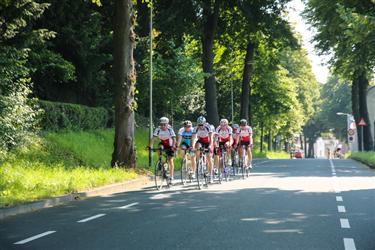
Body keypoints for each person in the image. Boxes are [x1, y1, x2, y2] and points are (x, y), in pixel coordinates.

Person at [149, 117, 176, 184]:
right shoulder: (158, 129)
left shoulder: (170, 129)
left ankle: (171, 176)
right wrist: (149, 146)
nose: (163, 126)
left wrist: (173, 146)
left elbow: (174, 139)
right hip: (163, 143)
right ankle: (160, 162)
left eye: (164, 124)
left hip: (170, 145)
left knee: (170, 160)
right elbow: (154, 138)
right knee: (159, 147)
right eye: (161, 124)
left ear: (167, 124)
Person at [192, 116, 214, 181]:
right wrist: (193, 147)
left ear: (204, 123)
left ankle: (210, 175)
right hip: (201, 141)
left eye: (202, 125)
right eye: (199, 125)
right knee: (197, 146)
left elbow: (211, 138)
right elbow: (193, 138)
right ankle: (199, 161)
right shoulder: (195, 128)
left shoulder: (208, 127)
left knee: (209, 158)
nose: (200, 126)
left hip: (208, 142)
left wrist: (210, 145)